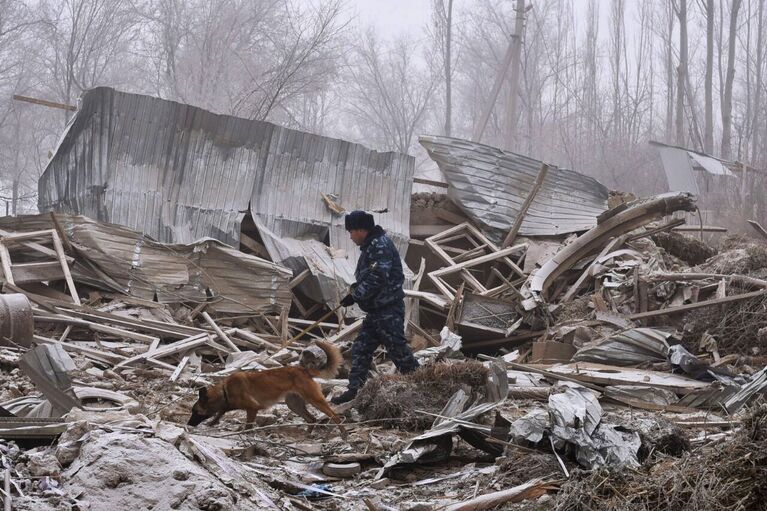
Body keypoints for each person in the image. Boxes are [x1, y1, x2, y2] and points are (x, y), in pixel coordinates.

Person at [331, 210, 420, 404]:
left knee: (398, 351)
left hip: (388, 310)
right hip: (376, 311)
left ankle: (422, 385)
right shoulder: (371, 245)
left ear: (361, 230)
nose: (350, 236)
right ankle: (355, 390)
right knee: (361, 349)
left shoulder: (380, 245)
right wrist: (354, 293)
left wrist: (356, 295)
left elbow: (378, 277)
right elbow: (370, 276)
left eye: (351, 231)